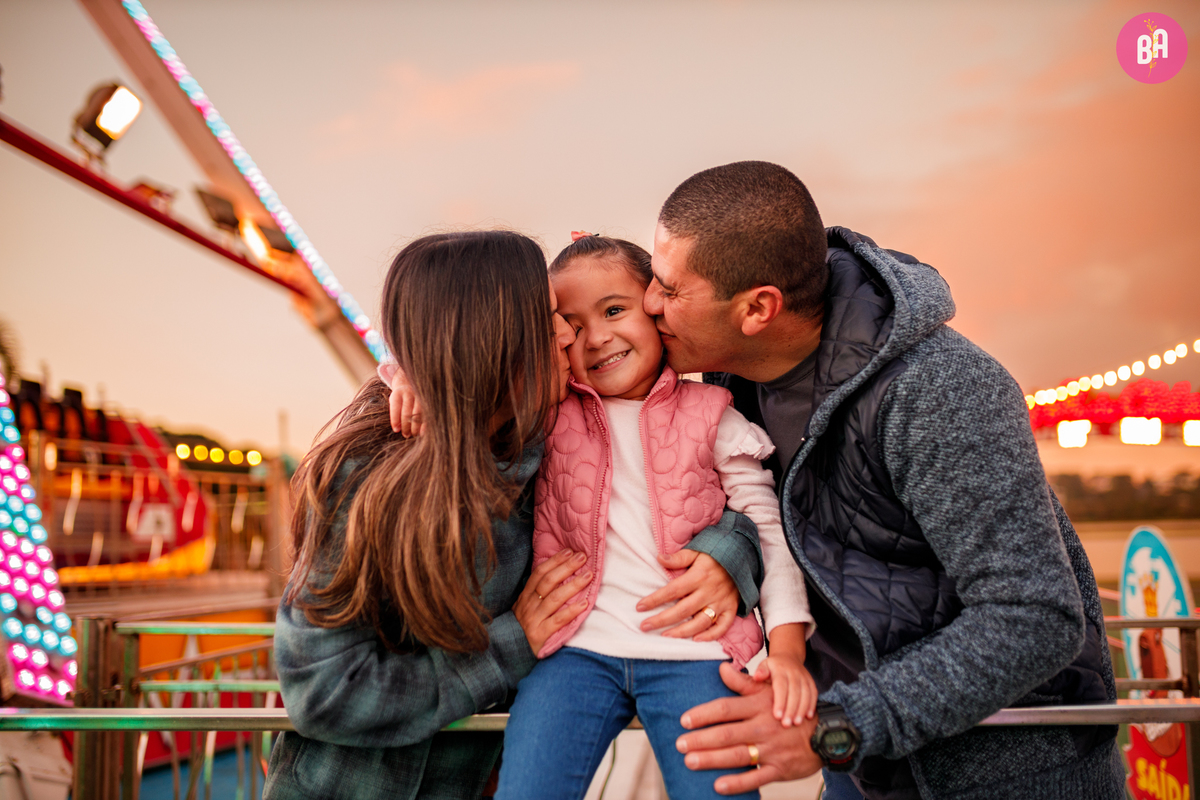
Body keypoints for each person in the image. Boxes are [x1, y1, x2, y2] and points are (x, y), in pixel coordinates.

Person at [650, 163, 1123, 799]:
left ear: (757, 308)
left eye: (670, 288)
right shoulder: (730, 388)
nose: (653, 304)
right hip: (865, 765)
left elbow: (1035, 615)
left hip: (996, 772)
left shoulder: (939, 390)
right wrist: (729, 551)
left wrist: (839, 727)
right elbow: (778, 511)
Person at [265, 231, 763, 799]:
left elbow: (687, 488)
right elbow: (325, 693)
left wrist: (726, 554)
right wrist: (514, 642)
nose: (567, 333)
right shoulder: (369, 478)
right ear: (495, 342)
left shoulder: (550, 447)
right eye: (547, 316)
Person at [493, 234, 816, 800]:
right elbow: (462, 352)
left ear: (655, 312)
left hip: (695, 653)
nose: (596, 338)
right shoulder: (545, 412)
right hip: (573, 651)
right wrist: (401, 378)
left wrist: (788, 652)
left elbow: (770, 535)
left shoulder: (715, 416)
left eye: (614, 310)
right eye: (570, 324)